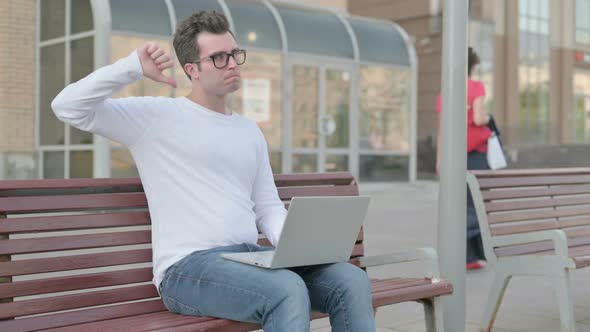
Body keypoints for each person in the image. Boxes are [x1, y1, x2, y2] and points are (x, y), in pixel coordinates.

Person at [51, 10, 375, 332]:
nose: (232, 64)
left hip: (248, 259)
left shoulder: (249, 131)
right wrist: (132, 67)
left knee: (350, 280)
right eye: (219, 58)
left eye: (234, 54)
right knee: (286, 289)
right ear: (192, 69)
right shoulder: (155, 118)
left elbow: (267, 206)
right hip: (188, 268)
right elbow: (67, 106)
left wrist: (294, 246)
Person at [435, 47, 491, 270]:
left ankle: (466, 256)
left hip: (453, 155)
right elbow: (478, 119)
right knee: (476, 203)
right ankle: (472, 255)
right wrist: (488, 118)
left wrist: (439, 160)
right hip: (476, 154)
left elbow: (442, 130)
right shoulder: (476, 87)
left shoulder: (445, 92)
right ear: (472, 66)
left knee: (458, 204)